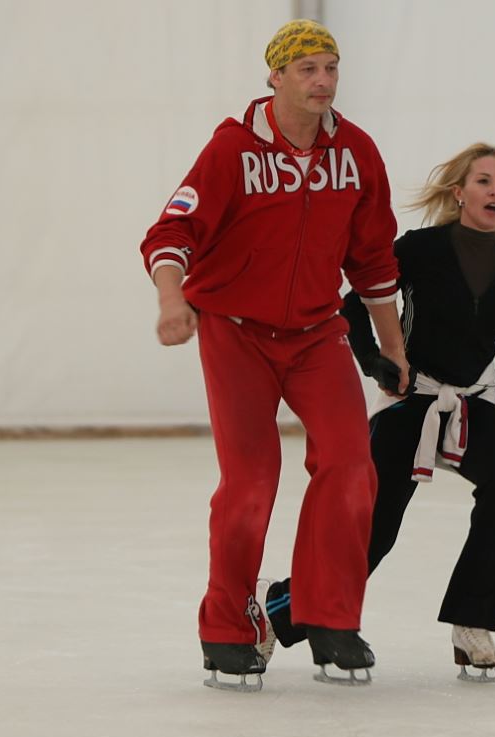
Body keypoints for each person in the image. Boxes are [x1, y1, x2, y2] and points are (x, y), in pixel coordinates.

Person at [138, 18, 410, 691]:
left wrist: (393, 349)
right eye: (307, 69)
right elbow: (171, 232)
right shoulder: (232, 150)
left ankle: (329, 619)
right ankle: (227, 628)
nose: (322, 81)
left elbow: (374, 262)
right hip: (235, 332)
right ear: (276, 76)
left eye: (331, 68)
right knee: (251, 480)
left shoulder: (357, 152)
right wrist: (172, 302)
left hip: (317, 333)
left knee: (351, 464)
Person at [260, 143, 495, 682]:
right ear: (459, 192)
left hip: (475, 399)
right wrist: (375, 361)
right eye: (484, 181)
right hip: (414, 397)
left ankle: (472, 623)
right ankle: (280, 609)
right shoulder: (419, 248)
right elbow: (355, 302)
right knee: (377, 527)